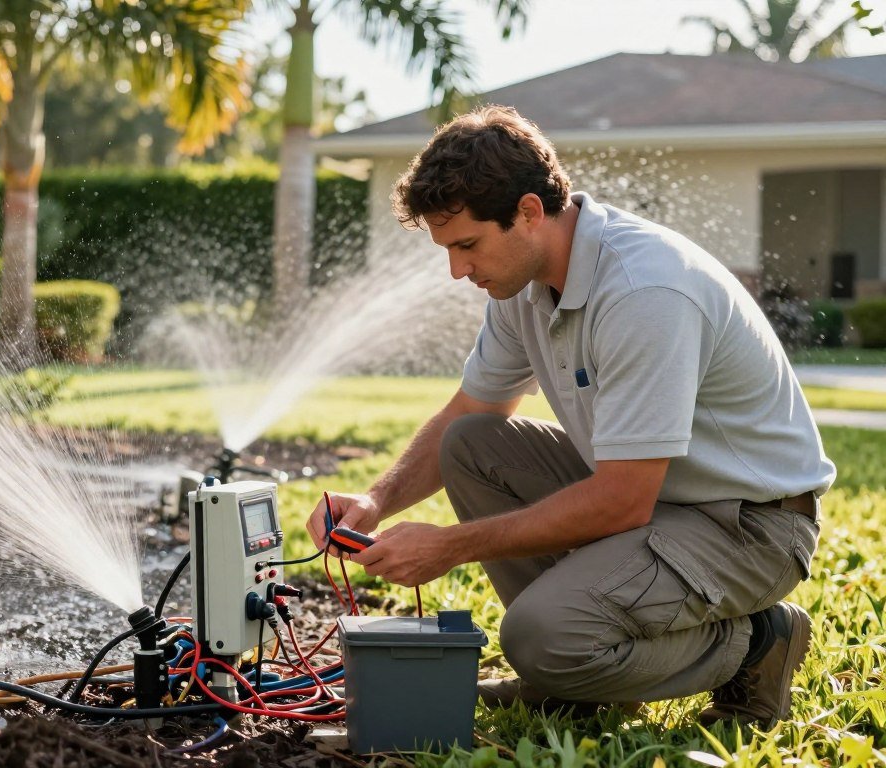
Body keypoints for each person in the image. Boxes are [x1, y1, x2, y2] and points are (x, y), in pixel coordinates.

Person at [306, 105, 834, 726]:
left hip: (749, 526)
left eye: (467, 245)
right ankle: (581, 673)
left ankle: (757, 642)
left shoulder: (644, 292)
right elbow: (470, 410)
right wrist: (376, 500)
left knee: (539, 639)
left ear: (529, 211)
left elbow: (622, 502)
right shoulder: (522, 283)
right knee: (472, 443)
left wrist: (449, 547)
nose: (457, 270)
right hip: (658, 502)